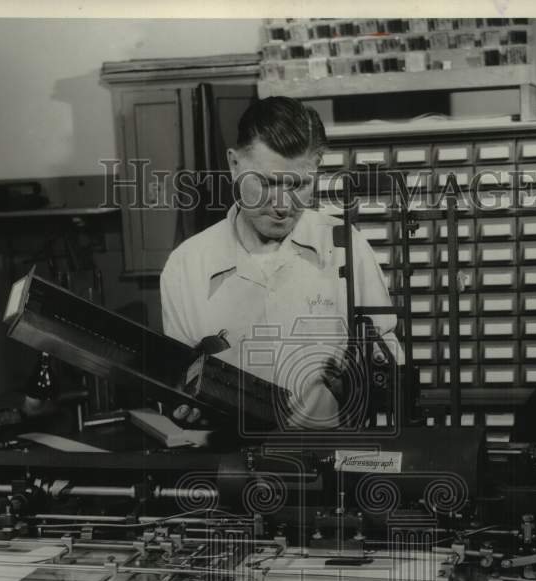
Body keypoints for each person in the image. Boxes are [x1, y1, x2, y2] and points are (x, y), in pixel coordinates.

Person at [160, 96, 400, 431]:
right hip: (228, 455)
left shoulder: (347, 248)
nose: (282, 205)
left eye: (299, 184)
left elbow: (387, 360)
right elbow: (176, 382)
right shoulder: (186, 267)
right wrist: (183, 403)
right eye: (267, 182)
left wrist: (369, 375)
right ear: (234, 164)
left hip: (329, 451)